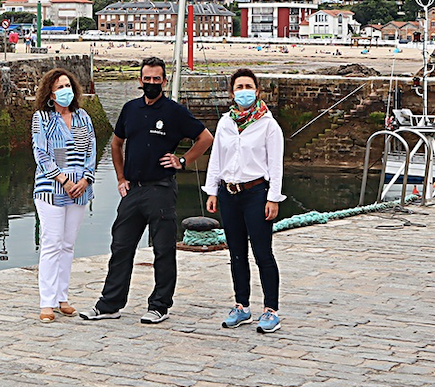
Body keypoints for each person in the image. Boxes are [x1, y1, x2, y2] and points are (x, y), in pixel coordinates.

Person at [80, 57, 213, 324]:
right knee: (120, 247)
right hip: (132, 191)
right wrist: (120, 177)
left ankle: (159, 305)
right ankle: (110, 304)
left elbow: (206, 137)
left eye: (157, 79)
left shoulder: (174, 111)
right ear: (140, 80)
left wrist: (183, 160)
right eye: (147, 78)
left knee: (163, 250)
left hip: (161, 189)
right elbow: (117, 144)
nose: (152, 83)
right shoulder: (130, 109)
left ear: (164, 81)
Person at [203, 68, 284, 334]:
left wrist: (273, 198)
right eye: (239, 87)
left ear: (257, 91)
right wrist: (212, 191)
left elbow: (276, 165)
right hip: (229, 193)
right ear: (232, 92)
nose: (244, 91)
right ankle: (242, 306)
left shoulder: (268, 125)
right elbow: (217, 158)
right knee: (237, 254)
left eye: (249, 86)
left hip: (256, 193)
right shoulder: (226, 122)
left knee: (262, 253)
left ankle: (271, 309)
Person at [31, 67, 98, 323]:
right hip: (51, 190)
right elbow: (41, 154)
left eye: (68, 86)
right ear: (50, 92)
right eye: (59, 87)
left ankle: (62, 298)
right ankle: (46, 302)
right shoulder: (42, 118)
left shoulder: (83, 117)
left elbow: (91, 150)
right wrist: (63, 180)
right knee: (51, 243)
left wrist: (85, 179)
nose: (65, 91)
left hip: (80, 189)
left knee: (68, 245)